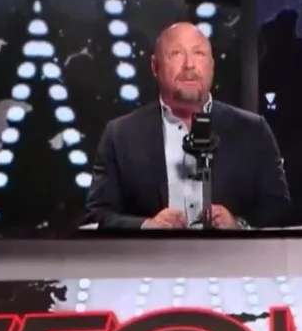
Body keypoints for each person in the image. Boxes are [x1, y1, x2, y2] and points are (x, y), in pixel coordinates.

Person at [84, 23, 290, 229]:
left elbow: (279, 209)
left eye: (199, 53)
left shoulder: (253, 131)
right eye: (176, 54)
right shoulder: (121, 135)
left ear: (212, 65)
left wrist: (238, 226)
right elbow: (97, 216)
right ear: (155, 66)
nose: (189, 65)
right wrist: (147, 227)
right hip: (153, 251)